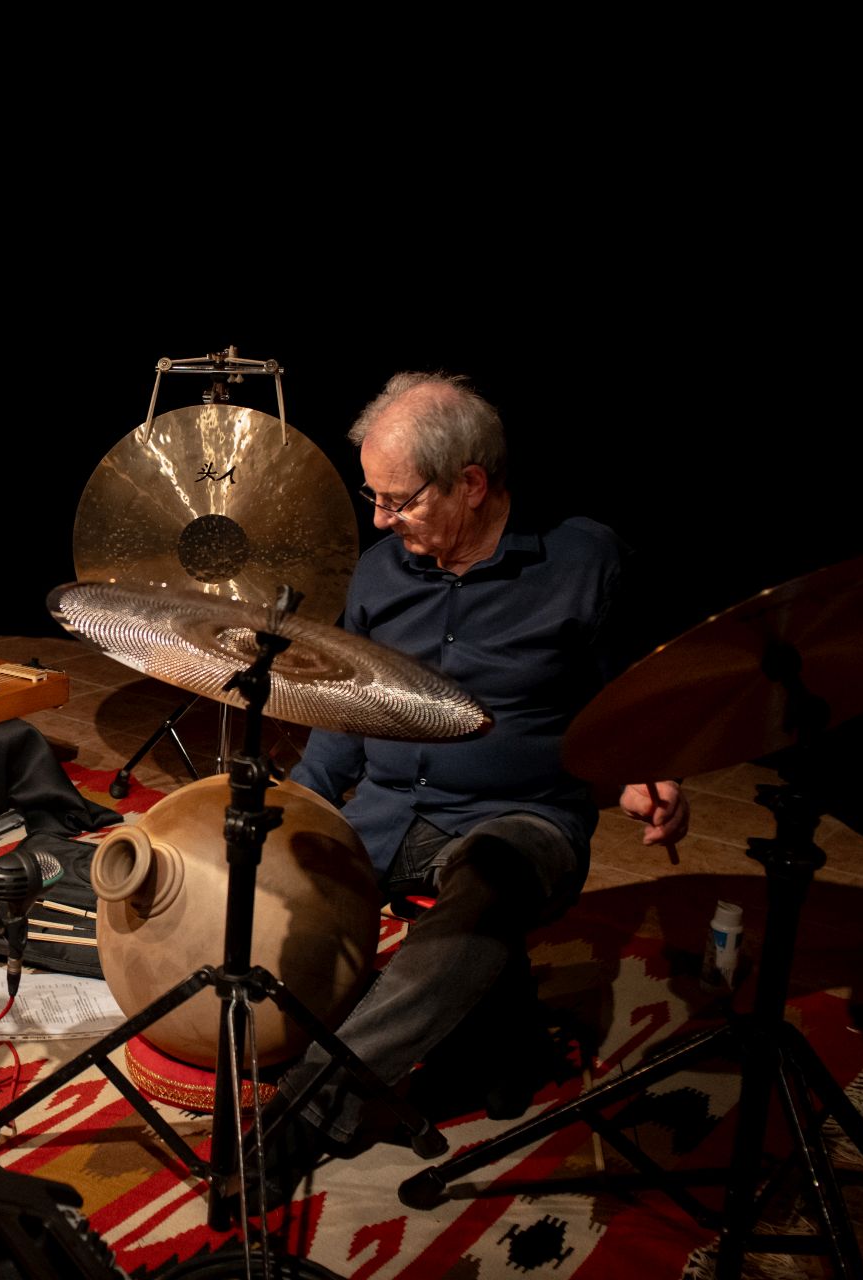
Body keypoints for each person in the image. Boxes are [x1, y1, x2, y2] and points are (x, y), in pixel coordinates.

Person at [256, 371, 689, 1198]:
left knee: (486, 885)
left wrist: (644, 767)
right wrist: (301, 808)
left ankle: (307, 1110)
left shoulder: (582, 561)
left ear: (472, 484)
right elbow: (346, 711)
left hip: (522, 818)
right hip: (389, 810)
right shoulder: (380, 574)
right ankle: (502, 1027)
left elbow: (634, 698)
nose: (381, 520)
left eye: (399, 500)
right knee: (274, 891)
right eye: (374, 498)